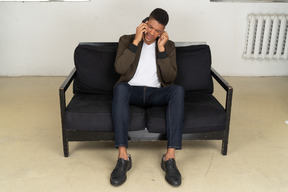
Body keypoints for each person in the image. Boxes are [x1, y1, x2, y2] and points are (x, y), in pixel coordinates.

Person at [110, 8, 184, 187]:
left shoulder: (168, 45)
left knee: (178, 90)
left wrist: (161, 49)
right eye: (149, 27)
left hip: (155, 93)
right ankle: (122, 158)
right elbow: (119, 69)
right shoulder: (126, 40)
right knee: (120, 88)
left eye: (157, 30)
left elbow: (170, 78)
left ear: (163, 31)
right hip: (131, 91)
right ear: (144, 23)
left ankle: (169, 158)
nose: (151, 33)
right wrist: (135, 42)